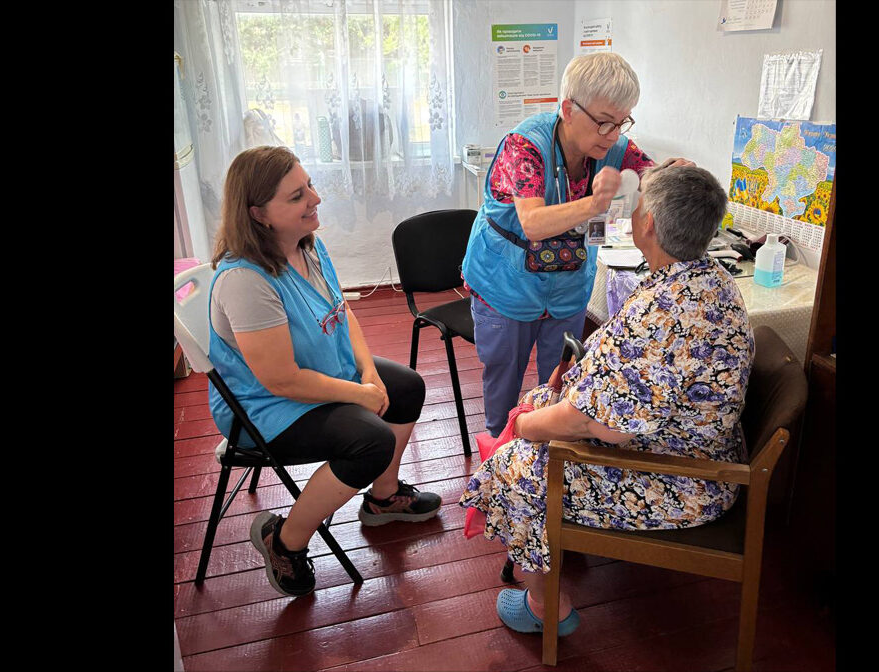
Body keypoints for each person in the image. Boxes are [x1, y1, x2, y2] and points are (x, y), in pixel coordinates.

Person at [458, 165, 755, 636]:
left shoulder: (669, 310)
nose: (632, 213)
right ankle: (553, 536)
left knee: (515, 466)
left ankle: (544, 606)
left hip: (682, 479)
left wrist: (524, 429)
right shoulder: (705, 276)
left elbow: (607, 425)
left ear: (651, 223)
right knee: (537, 405)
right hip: (680, 445)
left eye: (638, 207)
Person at [207, 146, 442, 597]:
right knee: (369, 440)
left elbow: (343, 312)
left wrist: (369, 372)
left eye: (309, 185)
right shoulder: (246, 281)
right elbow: (281, 380)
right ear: (258, 214)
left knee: (406, 387)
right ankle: (286, 541)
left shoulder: (307, 245)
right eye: (296, 196)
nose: (315, 199)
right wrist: (358, 395)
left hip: (318, 375)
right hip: (266, 409)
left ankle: (383, 497)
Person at [460, 51, 695, 440]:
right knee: (503, 385)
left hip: (568, 287)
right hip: (506, 286)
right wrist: (594, 203)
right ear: (569, 109)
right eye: (604, 122)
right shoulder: (524, 147)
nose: (614, 135)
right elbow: (532, 223)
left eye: (622, 122)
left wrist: (671, 172)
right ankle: (498, 456)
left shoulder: (617, 149)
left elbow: (652, 180)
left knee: (564, 383)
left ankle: (548, 461)